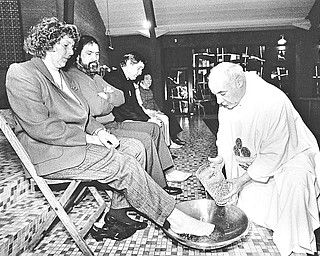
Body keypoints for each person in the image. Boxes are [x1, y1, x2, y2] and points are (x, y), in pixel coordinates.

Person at [6, 17, 224, 243]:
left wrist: (99, 132)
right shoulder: (22, 73)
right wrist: (90, 139)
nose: (71, 52)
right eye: (66, 46)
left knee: (134, 148)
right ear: (48, 43)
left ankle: (118, 213)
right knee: (125, 164)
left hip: (73, 145)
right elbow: (42, 127)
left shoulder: (61, 75)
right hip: (51, 153)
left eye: (72, 46)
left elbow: (84, 114)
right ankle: (175, 218)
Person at [207, 62, 320, 256]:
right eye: (215, 94)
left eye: (222, 93)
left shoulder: (272, 100)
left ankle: (296, 246)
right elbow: (224, 136)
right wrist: (221, 158)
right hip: (257, 161)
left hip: (291, 157)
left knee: (295, 182)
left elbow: (275, 152)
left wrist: (241, 180)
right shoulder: (228, 100)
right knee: (248, 209)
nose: (218, 101)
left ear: (239, 82)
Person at [64, 35, 183, 197]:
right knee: (146, 139)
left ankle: (167, 171)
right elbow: (97, 107)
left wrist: (105, 97)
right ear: (77, 55)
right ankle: (156, 187)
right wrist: (107, 98)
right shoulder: (75, 76)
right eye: (89, 54)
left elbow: (121, 98)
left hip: (112, 122)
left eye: (97, 54)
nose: (95, 58)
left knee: (154, 128)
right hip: (101, 128)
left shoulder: (95, 76)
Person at [103, 51, 192, 182]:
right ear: (128, 63)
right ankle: (158, 182)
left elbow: (135, 106)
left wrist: (148, 119)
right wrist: (145, 120)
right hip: (118, 120)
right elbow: (122, 110)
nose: (140, 73)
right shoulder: (113, 79)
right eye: (138, 68)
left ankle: (169, 171)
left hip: (125, 117)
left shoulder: (128, 80)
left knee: (154, 127)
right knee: (148, 133)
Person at [136, 71, 186, 148]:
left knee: (167, 116)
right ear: (142, 80)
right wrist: (154, 112)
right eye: (147, 79)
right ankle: (168, 143)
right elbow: (143, 105)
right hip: (148, 112)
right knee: (165, 119)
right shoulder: (139, 91)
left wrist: (158, 110)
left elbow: (154, 102)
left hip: (154, 111)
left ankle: (170, 141)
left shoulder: (149, 90)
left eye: (150, 79)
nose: (150, 81)